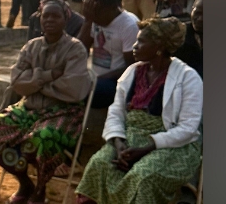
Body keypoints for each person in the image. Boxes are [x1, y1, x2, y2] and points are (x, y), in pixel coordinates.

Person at [75, 18, 203, 204]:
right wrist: (119, 143)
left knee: (142, 176)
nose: (134, 46)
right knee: (99, 164)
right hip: (130, 138)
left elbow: (188, 128)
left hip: (173, 146)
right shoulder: (132, 72)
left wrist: (146, 149)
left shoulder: (188, 78)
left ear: (159, 46)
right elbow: (116, 112)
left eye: (141, 42)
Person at [0, 0, 92, 204]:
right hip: (29, 107)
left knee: (41, 137)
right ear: (40, 18)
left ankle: (40, 191)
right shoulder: (31, 46)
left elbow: (73, 89)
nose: (50, 19)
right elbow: (16, 82)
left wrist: (34, 81)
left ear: (65, 19)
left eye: (55, 16)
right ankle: (25, 183)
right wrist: (50, 76)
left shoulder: (75, 49)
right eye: (46, 15)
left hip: (64, 112)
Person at [77, 0, 140, 109]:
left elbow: (133, 68)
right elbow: (78, 51)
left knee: (86, 90)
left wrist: (99, 79)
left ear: (112, 8)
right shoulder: (94, 18)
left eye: (96, 15)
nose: (94, 20)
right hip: (96, 79)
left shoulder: (129, 26)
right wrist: (87, 21)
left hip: (117, 82)